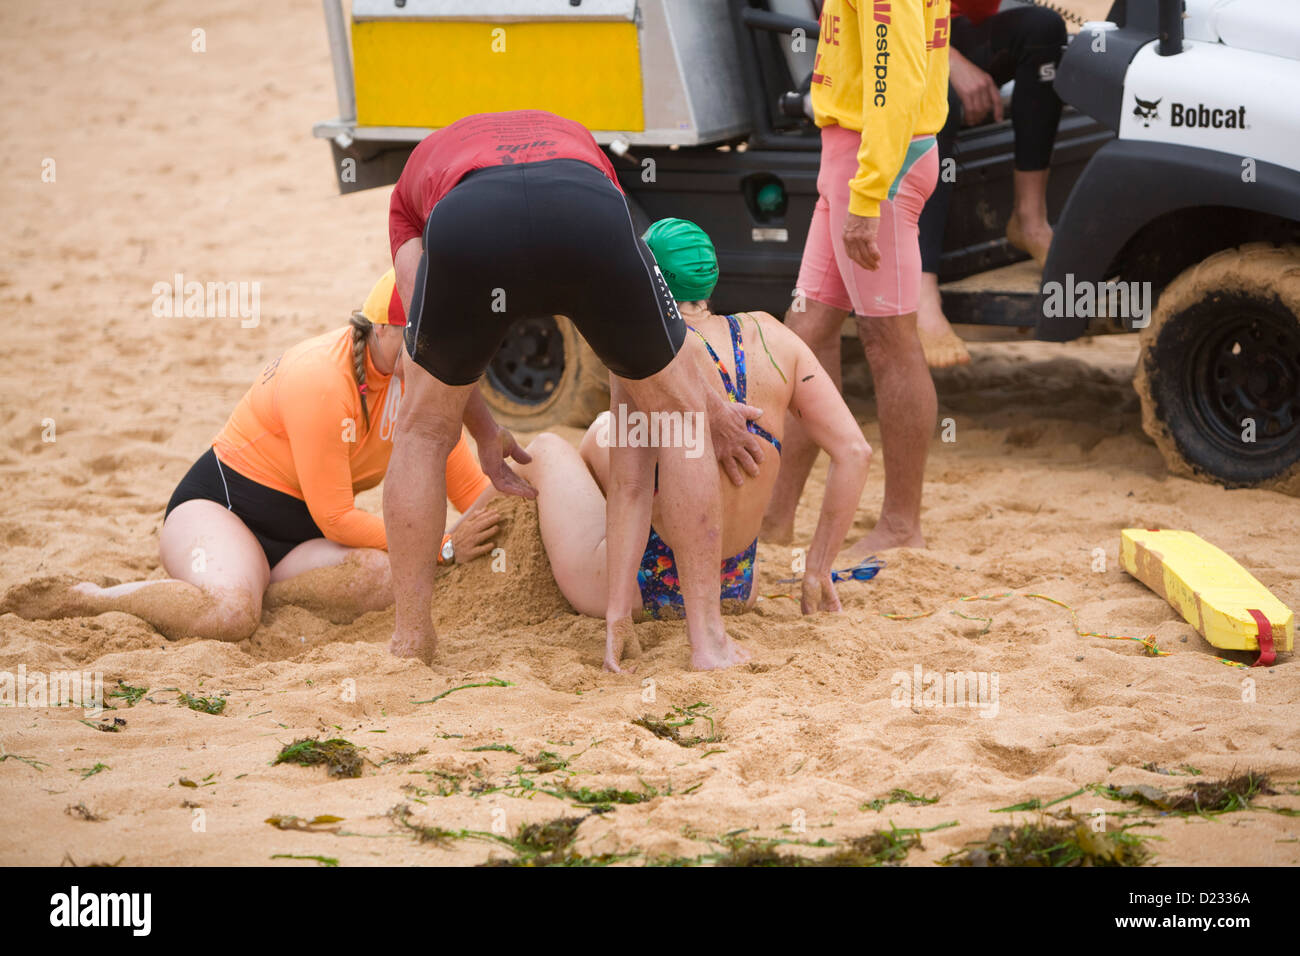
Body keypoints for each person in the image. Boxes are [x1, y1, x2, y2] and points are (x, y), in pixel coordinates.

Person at [384, 110, 765, 670]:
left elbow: (430, 363)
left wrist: (485, 434)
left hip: (472, 221)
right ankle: (708, 641)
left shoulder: (411, 189)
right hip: (582, 212)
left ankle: (411, 641)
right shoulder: (578, 142)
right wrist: (711, 406)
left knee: (420, 431)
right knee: (679, 421)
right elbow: (669, 326)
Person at [2, 271, 500, 641]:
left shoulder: (422, 385)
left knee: (388, 579)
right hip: (222, 510)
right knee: (230, 614)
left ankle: (266, 589)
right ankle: (89, 598)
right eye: (421, 339)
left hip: (300, 539)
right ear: (384, 329)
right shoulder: (321, 379)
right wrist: (442, 542)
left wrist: (504, 524)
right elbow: (337, 517)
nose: (431, 354)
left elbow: (474, 492)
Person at [516, 219, 871, 671]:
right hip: (738, 585)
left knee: (548, 447)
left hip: (652, 586)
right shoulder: (773, 335)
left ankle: (452, 542)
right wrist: (818, 568)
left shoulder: (646, 352)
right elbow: (855, 453)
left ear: (648, 281)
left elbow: (631, 490)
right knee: (605, 432)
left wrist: (617, 614)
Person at [762, 0, 950, 556]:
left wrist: (868, 195)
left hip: (875, 163)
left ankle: (900, 526)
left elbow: (897, 82)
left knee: (888, 337)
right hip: (855, 155)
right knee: (807, 331)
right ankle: (774, 518)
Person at [917, 0, 1069, 367]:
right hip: (879, 40)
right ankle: (921, 293)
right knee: (941, 97)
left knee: (1044, 30)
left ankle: (1030, 222)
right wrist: (947, 58)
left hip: (940, 29)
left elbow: (979, 9)